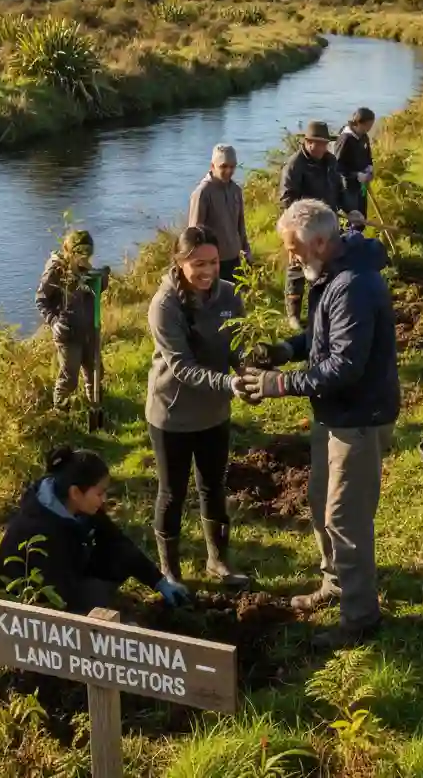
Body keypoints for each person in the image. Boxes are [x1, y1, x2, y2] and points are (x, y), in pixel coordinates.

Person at [238, 199, 399, 649]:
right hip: (335, 413)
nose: (290, 257)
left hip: (359, 416)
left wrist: (280, 384)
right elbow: (323, 337)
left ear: (322, 243)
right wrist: (288, 349)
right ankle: (335, 583)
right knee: (319, 502)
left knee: (346, 518)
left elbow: (344, 365)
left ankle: (360, 618)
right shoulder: (331, 275)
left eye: (294, 249)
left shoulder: (352, 285)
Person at [146, 225, 248, 590]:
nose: (208, 271)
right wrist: (230, 383)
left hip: (215, 412)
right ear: (180, 261)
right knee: (172, 492)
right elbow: (182, 367)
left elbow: (239, 346)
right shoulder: (164, 305)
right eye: (198, 264)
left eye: (214, 263)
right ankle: (170, 571)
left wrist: (250, 370)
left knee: (213, 487)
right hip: (172, 413)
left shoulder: (229, 296)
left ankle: (218, 561)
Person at [0, 446, 190, 613]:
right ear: (75, 492)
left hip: (67, 573)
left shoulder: (78, 506)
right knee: (96, 595)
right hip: (19, 605)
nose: (104, 499)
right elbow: (56, 597)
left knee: (119, 557)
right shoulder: (41, 532)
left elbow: (115, 540)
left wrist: (158, 581)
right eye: (99, 493)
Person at [279, 121, 347, 328]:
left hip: (327, 225)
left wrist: (349, 208)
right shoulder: (294, 165)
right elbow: (286, 200)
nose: (319, 147)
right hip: (303, 229)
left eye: (323, 143)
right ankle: (293, 314)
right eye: (315, 143)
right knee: (297, 269)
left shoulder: (330, 162)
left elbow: (339, 191)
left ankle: (323, 309)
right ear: (307, 142)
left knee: (328, 266)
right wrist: (296, 230)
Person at [36, 230, 108, 409]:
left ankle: (95, 411)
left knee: (95, 373)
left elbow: (99, 289)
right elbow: (41, 300)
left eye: (89, 253)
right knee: (69, 379)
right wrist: (54, 321)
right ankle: (61, 417)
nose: (85, 257)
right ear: (71, 251)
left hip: (90, 330)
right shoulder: (56, 271)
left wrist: (100, 276)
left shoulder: (87, 269)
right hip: (68, 333)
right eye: (81, 252)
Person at [188, 144, 252, 284]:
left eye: (232, 166)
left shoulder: (236, 190)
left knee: (237, 302)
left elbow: (240, 225)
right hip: (213, 265)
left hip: (235, 261)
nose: (229, 171)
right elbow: (194, 234)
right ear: (212, 166)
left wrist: (246, 252)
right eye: (223, 166)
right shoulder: (202, 193)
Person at [333, 108, 376, 216]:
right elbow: (337, 167)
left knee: (362, 216)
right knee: (352, 216)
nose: (370, 128)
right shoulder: (345, 139)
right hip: (348, 187)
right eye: (368, 125)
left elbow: (368, 156)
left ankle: (360, 232)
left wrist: (369, 168)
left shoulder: (364, 136)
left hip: (362, 185)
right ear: (359, 123)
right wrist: (356, 175)